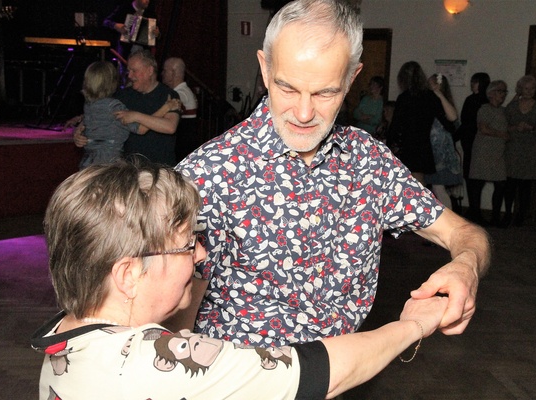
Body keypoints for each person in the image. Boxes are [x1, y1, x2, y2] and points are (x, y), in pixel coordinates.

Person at [173, 0, 491, 348]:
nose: (304, 113)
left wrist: (467, 265)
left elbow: (463, 232)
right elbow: (172, 332)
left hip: (348, 372)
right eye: (288, 88)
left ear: (352, 77)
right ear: (265, 68)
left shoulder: (369, 161)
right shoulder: (207, 174)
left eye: (326, 92)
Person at [31, 158, 449, 399]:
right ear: (128, 274)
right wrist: (413, 325)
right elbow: (324, 370)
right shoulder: (157, 365)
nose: (200, 254)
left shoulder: (64, 335)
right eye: (186, 246)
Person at [73, 50, 181, 166]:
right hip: (130, 169)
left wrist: (136, 116)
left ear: (150, 70)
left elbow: (170, 127)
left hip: (160, 167)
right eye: (128, 71)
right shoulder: (122, 95)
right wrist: (79, 131)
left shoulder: (168, 95)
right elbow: (100, 112)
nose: (129, 75)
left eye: (134, 71)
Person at [388, 61, 456, 186]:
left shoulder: (404, 97)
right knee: (419, 181)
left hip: (408, 144)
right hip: (423, 145)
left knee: (408, 181)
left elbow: (395, 125)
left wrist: (389, 144)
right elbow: (450, 119)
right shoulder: (430, 97)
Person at [502, 75, 536, 227]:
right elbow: (502, 125)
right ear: (520, 89)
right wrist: (515, 128)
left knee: (525, 186)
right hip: (513, 148)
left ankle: (521, 215)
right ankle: (507, 213)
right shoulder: (512, 106)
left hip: (529, 150)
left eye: (532, 88)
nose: (529, 91)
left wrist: (532, 128)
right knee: (510, 184)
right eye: (526, 88)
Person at [77, 61, 137, 169]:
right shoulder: (113, 106)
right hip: (108, 164)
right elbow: (140, 128)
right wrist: (164, 109)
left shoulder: (89, 105)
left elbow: (87, 127)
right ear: (111, 82)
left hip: (89, 163)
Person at [467, 80, 509, 226]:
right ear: (491, 93)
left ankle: (495, 217)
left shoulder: (503, 110)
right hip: (483, 151)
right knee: (478, 183)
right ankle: (476, 215)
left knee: (500, 184)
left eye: (504, 91)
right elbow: (483, 128)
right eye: (500, 91)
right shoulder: (484, 109)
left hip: (498, 153)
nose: (503, 94)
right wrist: (502, 135)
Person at [424, 73, 464, 214]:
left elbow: (453, 118)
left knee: (439, 187)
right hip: (430, 151)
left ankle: (448, 218)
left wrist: (439, 94)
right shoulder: (427, 103)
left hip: (442, 153)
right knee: (435, 188)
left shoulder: (444, 103)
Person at [103, 0, 160, 82]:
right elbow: (106, 22)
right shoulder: (124, 9)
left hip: (143, 55)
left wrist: (157, 34)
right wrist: (115, 26)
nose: (148, 1)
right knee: (125, 79)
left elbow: (158, 36)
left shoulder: (151, 13)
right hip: (125, 53)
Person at [161, 57, 199, 161]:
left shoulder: (180, 94)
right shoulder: (184, 92)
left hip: (182, 150)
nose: (162, 73)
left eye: (165, 70)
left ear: (173, 73)